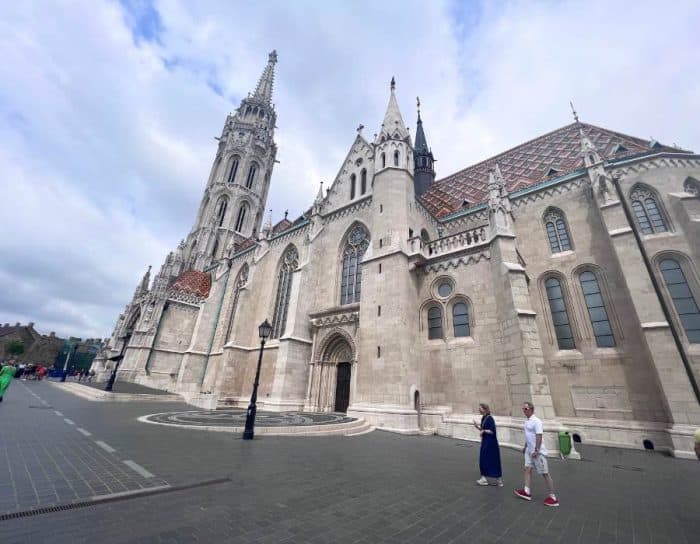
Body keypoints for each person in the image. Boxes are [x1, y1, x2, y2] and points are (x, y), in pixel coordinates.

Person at [514, 401, 559, 507]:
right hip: (529, 451)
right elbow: (528, 436)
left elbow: (539, 435)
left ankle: (553, 497)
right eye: (523, 409)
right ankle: (527, 491)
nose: (524, 411)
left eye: (525, 409)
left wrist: (537, 450)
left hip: (538, 452)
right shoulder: (527, 421)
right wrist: (525, 447)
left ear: (531, 409)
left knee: (545, 473)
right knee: (527, 469)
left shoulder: (536, 421)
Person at [473, 403, 503, 486]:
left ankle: (496, 479)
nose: (479, 410)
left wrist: (484, 431)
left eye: (480, 408)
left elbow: (492, 431)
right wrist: (477, 427)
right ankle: (485, 478)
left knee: (489, 459)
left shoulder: (490, 418)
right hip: (485, 441)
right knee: (485, 459)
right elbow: (483, 430)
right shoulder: (484, 418)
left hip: (490, 443)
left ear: (485, 409)